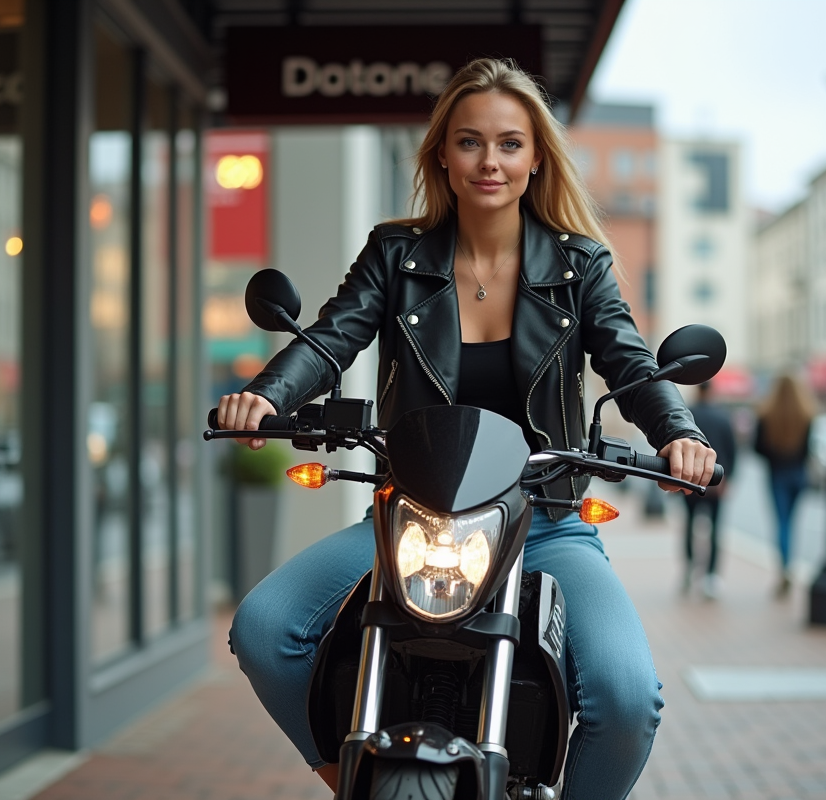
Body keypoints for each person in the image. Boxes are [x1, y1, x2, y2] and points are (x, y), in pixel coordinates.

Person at [218, 58, 718, 800]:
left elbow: (632, 365)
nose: (491, 161)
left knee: (625, 697)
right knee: (263, 628)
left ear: (536, 157)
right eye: (470, 142)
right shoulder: (396, 254)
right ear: (442, 156)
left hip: (545, 520)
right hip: (412, 515)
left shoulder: (580, 266)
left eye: (510, 143)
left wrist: (681, 433)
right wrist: (266, 395)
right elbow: (331, 339)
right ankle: (344, 777)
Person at [753, 374, 815, 597]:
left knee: (781, 523)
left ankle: (785, 567)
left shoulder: (767, 414)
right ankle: (789, 565)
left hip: (777, 474)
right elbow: (809, 450)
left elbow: (757, 448)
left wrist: (775, 453)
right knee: (792, 523)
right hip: (798, 475)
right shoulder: (806, 414)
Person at [680, 380, 737, 599]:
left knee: (689, 525)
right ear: (711, 391)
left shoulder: (688, 415)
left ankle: (689, 568)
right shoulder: (723, 417)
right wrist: (728, 478)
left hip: (690, 481)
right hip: (715, 482)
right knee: (715, 530)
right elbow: (732, 452)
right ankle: (711, 576)